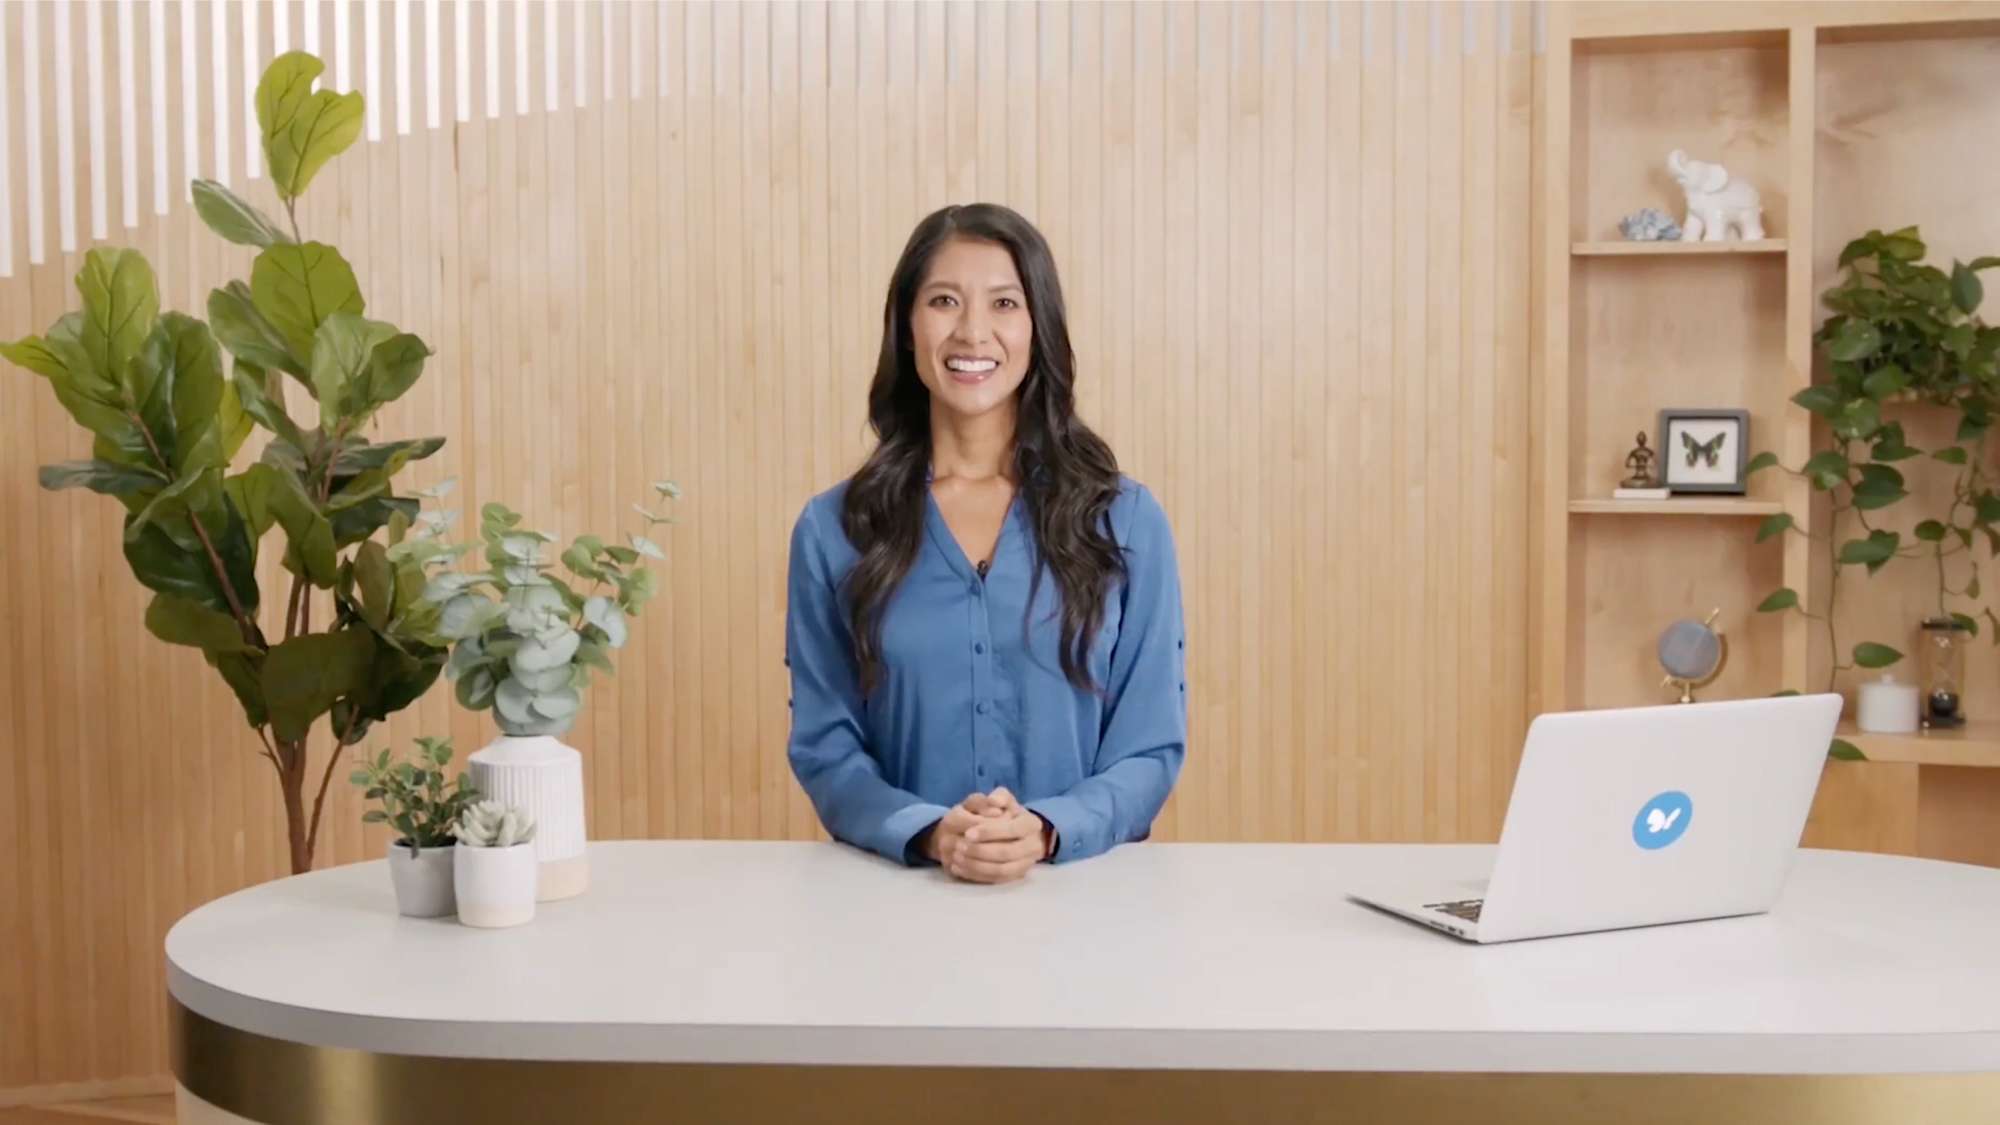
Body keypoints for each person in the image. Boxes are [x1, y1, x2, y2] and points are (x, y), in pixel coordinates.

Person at [783, 202, 1187, 884]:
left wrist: (1048, 827)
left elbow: (1149, 747)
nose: (973, 331)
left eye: (1004, 302)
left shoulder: (1125, 521)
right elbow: (826, 750)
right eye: (944, 300)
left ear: (1038, 329)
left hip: (1087, 913)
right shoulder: (833, 529)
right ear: (907, 328)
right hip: (894, 917)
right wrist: (933, 832)